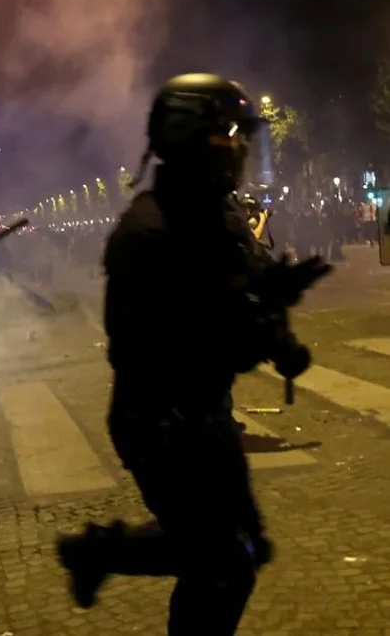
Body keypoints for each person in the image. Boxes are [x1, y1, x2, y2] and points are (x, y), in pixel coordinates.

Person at [55, 73, 329, 635]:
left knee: (242, 551)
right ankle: (101, 554)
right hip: (157, 421)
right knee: (222, 562)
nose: (235, 147)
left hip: (208, 416)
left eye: (238, 135)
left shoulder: (223, 217)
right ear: (185, 137)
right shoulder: (145, 233)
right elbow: (143, 353)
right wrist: (240, 313)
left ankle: (101, 554)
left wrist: (280, 336)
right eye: (223, 134)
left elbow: (246, 293)